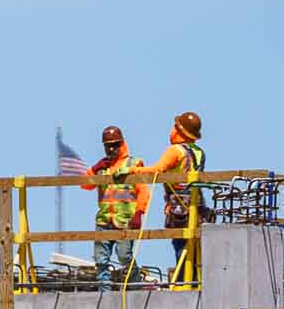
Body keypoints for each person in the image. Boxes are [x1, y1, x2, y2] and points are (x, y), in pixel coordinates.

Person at [139, 111, 208, 265]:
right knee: (195, 249)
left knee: (181, 246)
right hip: (197, 206)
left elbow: (158, 170)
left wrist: (135, 171)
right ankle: (194, 281)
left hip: (180, 208)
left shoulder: (176, 150)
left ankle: (183, 283)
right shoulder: (199, 152)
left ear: (178, 130)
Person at [80, 126, 147, 282]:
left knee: (124, 256)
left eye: (115, 145)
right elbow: (85, 185)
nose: (111, 149)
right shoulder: (103, 168)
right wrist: (95, 169)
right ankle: (105, 291)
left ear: (122, 143)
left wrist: (139, 213)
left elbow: (143, 191)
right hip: (104, 220)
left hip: (124, 220)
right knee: (101, 260)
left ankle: (136, 284)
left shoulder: (133, 164)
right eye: (107, 145)